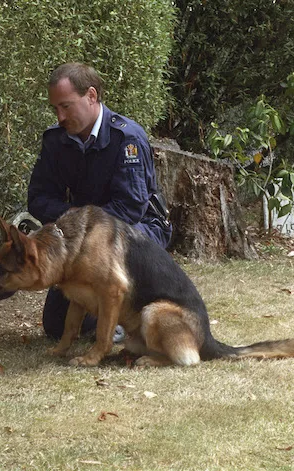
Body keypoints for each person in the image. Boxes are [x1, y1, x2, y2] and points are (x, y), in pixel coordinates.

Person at [27, 62, 172, 340]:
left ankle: (122, 315)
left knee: (104, 273)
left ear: (91, 96)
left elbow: (130, 208)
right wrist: (72, 218)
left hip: (136, 230)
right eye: (55, 108)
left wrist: (78, 226)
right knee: (56, 327)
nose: (59, 117)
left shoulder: (126, 138)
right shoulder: (57, 141)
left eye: (66, 107)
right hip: (81, 235)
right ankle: (107, 314)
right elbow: (38, 198)